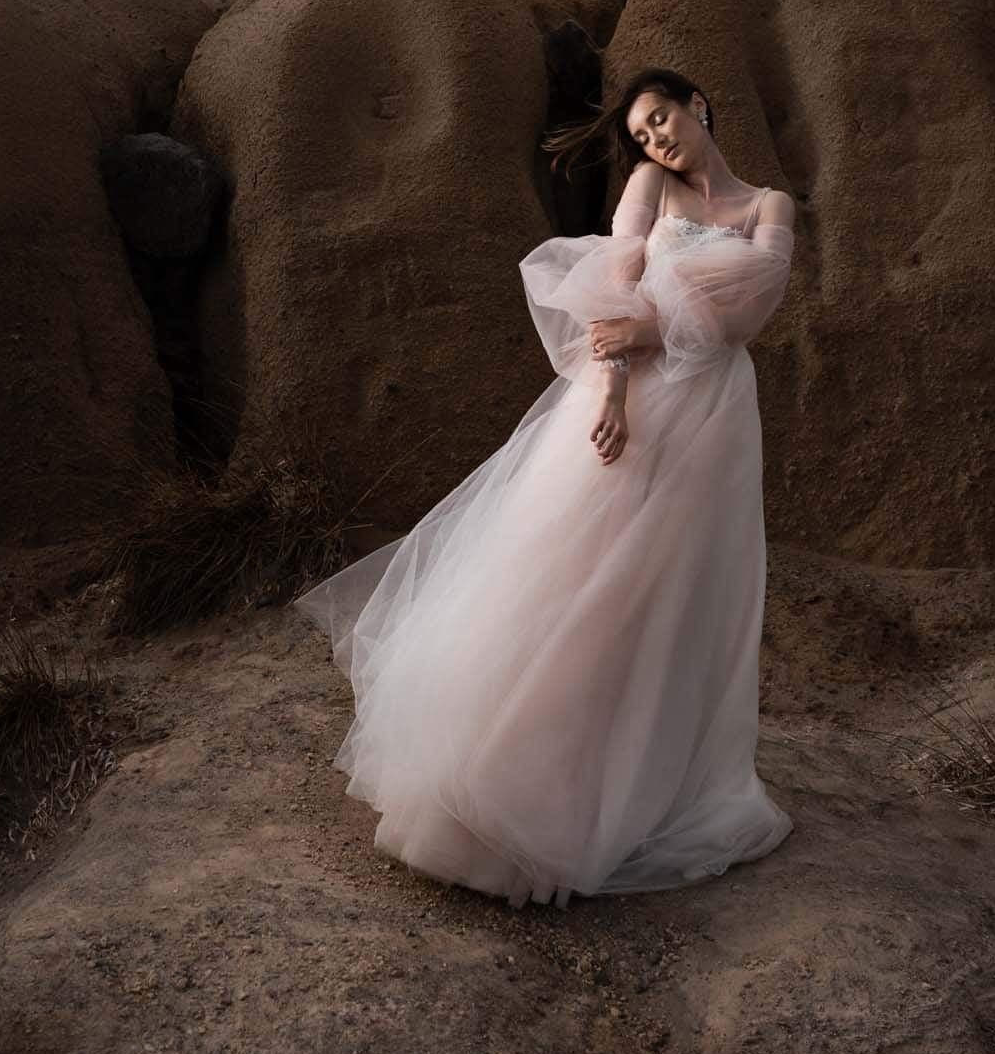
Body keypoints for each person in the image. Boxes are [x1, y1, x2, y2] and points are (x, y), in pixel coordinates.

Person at [294, 66, 798, 910]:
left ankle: (642, 788)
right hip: (630, 400)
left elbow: (752, 314)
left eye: (662, 120)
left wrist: (654, 324)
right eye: (642, 134)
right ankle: (508, 788)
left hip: (712, 413)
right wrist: (609, 391)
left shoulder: (767, 207)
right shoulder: (649, 189)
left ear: (697, 105)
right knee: (573, 576)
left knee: (669, 592)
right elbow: (608, 292)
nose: (656, 141)